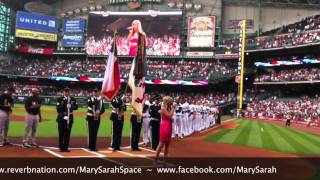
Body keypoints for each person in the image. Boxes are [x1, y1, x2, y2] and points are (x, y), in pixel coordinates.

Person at [155, 96, 176, 164]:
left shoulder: (169, 108)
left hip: (169, 126)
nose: (172, 102)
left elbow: (170, 117)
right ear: (167, 101)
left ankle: (164, 161)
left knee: (167, 144)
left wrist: (171, 119)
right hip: (164, 126)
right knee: (161, 144)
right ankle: (155, 160)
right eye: (170, 100)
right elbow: (169, 115)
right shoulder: (163, 108)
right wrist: (173, 108)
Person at [56, 88, 78, 152]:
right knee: (61, 133)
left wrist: (71, 106)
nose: (66, 92)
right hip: (61, 118)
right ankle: (61, 147)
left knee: (67, 133)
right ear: (63, 92)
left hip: (70, 117)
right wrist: (63, 115)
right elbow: (58, 109)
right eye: (65, 91)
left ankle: (66, 147)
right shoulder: (60, 99)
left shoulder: (73, 99)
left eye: (68, 91)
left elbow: (76, 107)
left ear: (69, 92)